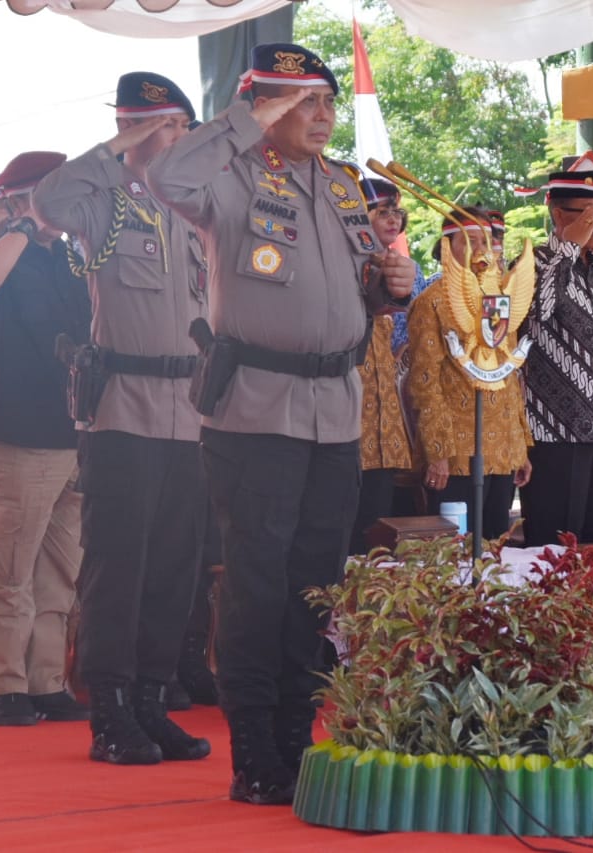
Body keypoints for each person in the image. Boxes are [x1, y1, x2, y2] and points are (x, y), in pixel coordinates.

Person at [148, 42, 417, 804]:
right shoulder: (228, 180)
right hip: (256, 411)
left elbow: (360, 287)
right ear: (265, 107)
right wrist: (244, 119)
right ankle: (255, 750)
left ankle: (302, 735)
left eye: (329, 102)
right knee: (257, 585)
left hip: (336, 411)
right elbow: (165, 174)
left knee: (317, 586)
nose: (325, 116)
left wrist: (388, 284)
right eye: (306, 102)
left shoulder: (339, 187)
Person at [34, 72, 210, 767]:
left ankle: (150, 701)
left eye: (173, 126)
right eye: (155, 126)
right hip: (122, 409)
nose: (168, 139)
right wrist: (120, 144)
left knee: (174, 568)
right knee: (117, 567)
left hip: (192, 411)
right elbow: (47, 202)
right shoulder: (102, 199)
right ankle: (109, 710)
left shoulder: (196, 206)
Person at [0, 152, 92, 726]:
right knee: (11, 567)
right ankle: (6, 687)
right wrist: (24, 223)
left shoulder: (68, 258)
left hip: (75, 429)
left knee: (60, 570)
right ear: (20, 198)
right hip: (20, 429)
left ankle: (46, 682)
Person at [519, 170, 593, 547]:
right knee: (555, 548)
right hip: (556, 430)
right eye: (586, 216)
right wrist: (567, 249)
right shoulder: (532, 264)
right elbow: (539, 309)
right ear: (557, 215)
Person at [407, 209, 532, 539]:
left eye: (487, 242)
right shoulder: (430, 303)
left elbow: (510, 377)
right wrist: (437, 453)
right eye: (471, 241)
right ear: (448, 246)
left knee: (495, 552)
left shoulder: (498, 300)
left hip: (502, 452)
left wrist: (519, 448)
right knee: (456, 556)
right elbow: (424, 382)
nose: (482, 249)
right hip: (456, 455)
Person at [351, 177, 413, 554]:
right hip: (348, 427)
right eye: (383, 212)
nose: (393, 220)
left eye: (398, 213)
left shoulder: (406, 272)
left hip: (385, 430)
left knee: (379, 539)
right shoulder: (343, 265)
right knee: (341, 536)